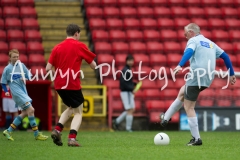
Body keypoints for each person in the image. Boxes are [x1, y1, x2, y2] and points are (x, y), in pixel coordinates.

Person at [159, 23, 236, 146]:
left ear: (191, 32)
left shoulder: (193, 40)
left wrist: (180, 65)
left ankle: (196, 139)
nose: (184, 36)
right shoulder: (210, 43)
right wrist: (231, 74)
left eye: (185, 33)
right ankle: (166, 118)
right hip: (208, 78)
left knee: (189, 107)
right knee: (182, 92)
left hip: (196, 77)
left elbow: (189, 52)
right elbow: (225, 56)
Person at [46, 24, 96, 147]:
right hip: (72, 84)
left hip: (59, 85)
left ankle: (57, 130)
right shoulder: (79, 46)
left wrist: (58, 75)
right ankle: (72, 139)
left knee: (70, 107)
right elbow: (93, 65)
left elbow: (48, 68)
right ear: (76, 33)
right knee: (78, 112)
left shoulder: (57, 47)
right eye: (79, 34)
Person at [1, 49, 48, 141]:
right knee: (31, 109)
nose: (16, 58)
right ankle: (36, 133)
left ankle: (8, 130)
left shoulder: (21, 66)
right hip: (16, 93)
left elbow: (30, 76)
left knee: (24, 113)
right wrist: (6, 91)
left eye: (17, 56)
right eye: (14, 57)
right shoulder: (7, 69)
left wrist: (25, 77)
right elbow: (3, 82)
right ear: (10, 58)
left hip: (23, 92)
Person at [112, 55, 136, 132]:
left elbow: (127, 82)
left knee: (131, 109)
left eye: (132, 60)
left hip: (127, 92)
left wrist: (134, 84)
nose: (131, 62)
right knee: (129, 109)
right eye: (129, 60)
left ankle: (117, 121)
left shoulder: (127, 70)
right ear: (126, 61)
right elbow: (123, 83)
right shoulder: (126, 70)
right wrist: (132, 88)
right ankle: (128, 128)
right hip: (126, 92)